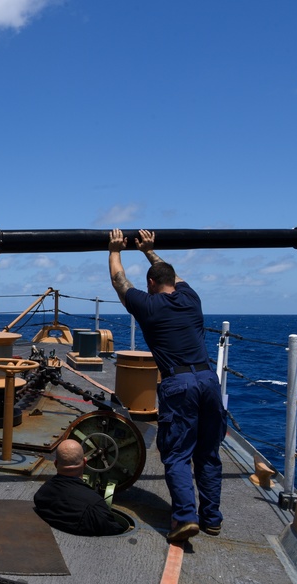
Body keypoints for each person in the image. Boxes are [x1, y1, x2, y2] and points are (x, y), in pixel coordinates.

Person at [107, 228, 226, 543]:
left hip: (179, 383)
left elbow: (120, 282)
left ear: (150, 283)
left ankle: (185, 517)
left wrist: (114, 249)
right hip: (209, 380)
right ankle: (212, 518)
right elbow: (172, 273)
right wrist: (149, 250)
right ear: (173, 281)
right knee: (208, 453)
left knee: (176, 453)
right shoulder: (191, 298)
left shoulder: (147, 306)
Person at [33, 439, 127, 536]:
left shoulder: (42, 493)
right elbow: (116, 531)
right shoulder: (95, 505)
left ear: (56, 464)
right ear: (85, 462)